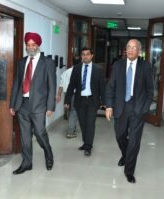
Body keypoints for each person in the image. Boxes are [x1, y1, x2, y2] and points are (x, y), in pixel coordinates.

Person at [105, 39, 154, 183]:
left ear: (139, 51)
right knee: (120, 135)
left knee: (134, 141)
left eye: (135, 48)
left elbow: (150, 90)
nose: (131, 50)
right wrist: (109, 105)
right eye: (129, 47)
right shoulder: (118, 65)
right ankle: (125, 155)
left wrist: (144, 108)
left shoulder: (145, 66)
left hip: (138, 107)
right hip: (121, 106)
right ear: (125, 50)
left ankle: (129, 171)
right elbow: (111, 86)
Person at [10, 32, 56, 174]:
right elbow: (17, 84)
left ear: (38, 45)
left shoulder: (47, 62)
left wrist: (50, 106)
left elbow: (52, 86)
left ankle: (48, 154)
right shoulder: (21, 62)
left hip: (39, 105)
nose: (30, 47)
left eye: (33, 45)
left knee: (40, 133)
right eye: (28, 45)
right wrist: (13, 104)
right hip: (22, 104)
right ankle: (27, 162)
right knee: (25, 136)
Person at [64, 47, 105, 156]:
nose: (85, 56)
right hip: (80, 100)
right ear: (81, 56)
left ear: (92, 56)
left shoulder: (98, 69)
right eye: (83, 54)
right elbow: (71, 85)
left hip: (92, 100)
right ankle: (85, 142)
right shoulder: (76, 68)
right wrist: (67, 99)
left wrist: (105, 103)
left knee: (90, 123)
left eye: (87, 54)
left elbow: (102, 87)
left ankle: (88, 146)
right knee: (82, 123)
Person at [56, 57, 80, 138]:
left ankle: (72, 127)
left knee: (71, 111)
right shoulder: (79, 72)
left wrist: (58, 94)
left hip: (67, 94)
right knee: (74, 111)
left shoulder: (66, 72)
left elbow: (61, 85)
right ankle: (70, 131)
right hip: (75, 94)